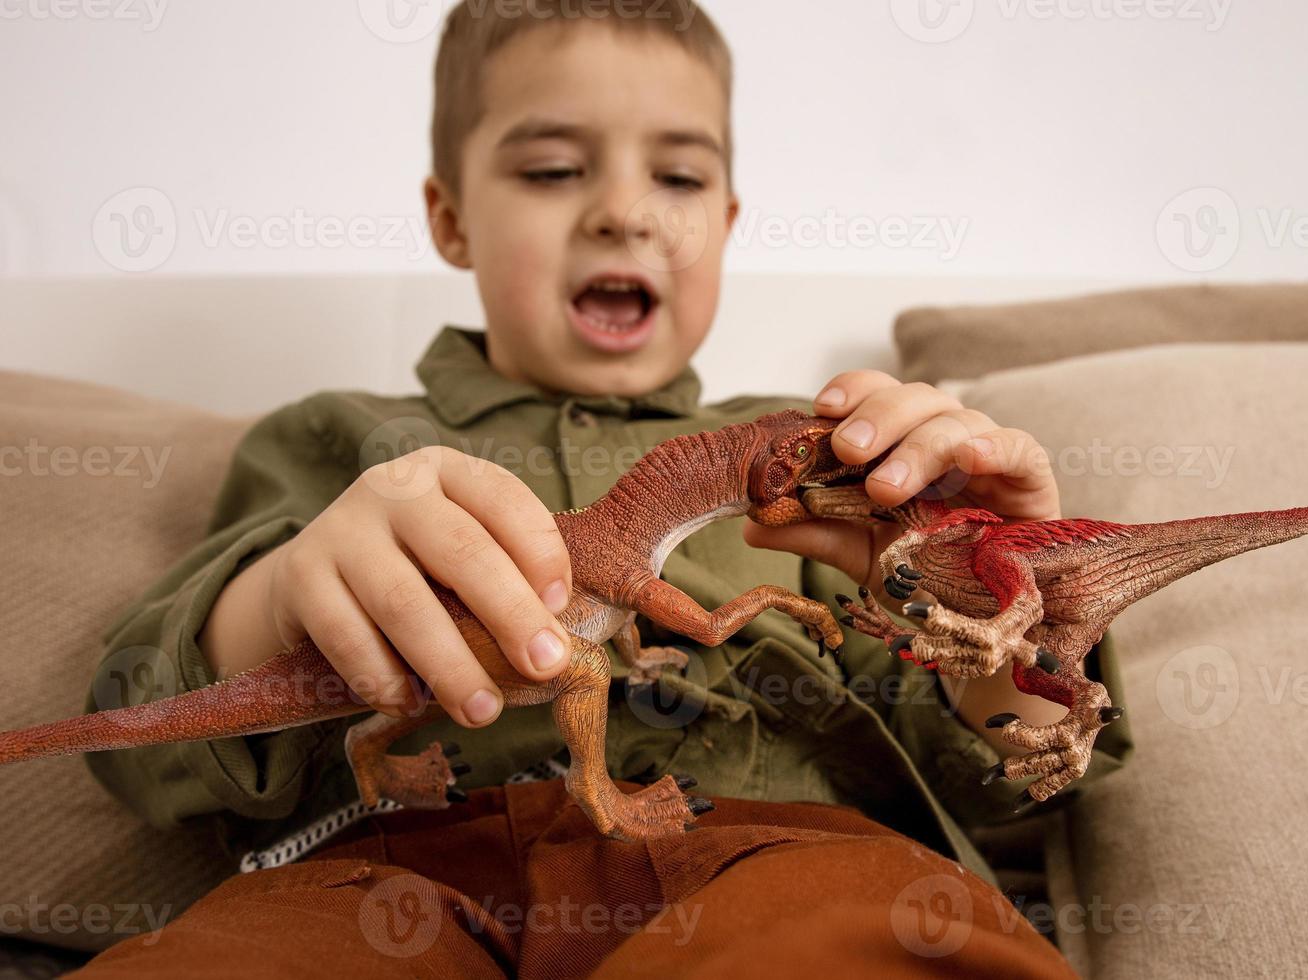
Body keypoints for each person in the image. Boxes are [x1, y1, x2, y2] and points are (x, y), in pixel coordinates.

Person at [77, 2, 1128, 974]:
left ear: (725, 219)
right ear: (450, 219)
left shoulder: (828, 448)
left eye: (676, 180)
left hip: (772, 848)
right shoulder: (339, 440)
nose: (624, 212)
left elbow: (991, 776)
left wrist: (1007, 576)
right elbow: (139, 734)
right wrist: (282, 591)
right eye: (549, 170)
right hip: (392, 870)